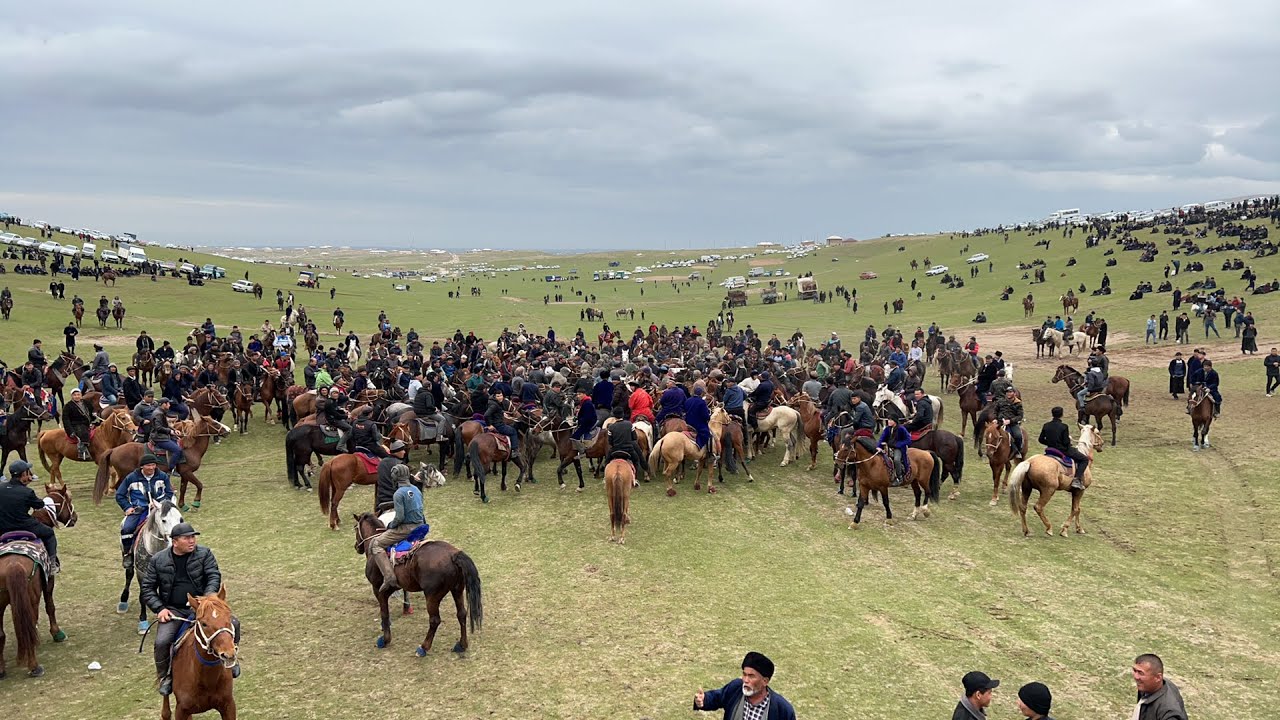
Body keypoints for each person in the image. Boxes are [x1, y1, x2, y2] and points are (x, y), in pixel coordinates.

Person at [140, 522, 239, 697]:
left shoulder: (205, 554)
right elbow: (147, 588)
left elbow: (213, 575)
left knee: (234, 624)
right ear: (175, 542)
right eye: (187, 538)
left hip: (203, 607)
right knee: (162, 642)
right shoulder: (158, 560)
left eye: (193, 537)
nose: (192, 541)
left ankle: (231, 660)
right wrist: (160, 609)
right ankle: (166, 677)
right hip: (174, 610)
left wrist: (209, 598)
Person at [370, 464, 426, 594]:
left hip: (406, 528)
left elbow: (399, 517)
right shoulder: (415, 489)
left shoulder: (398, 493)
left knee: (375, 544)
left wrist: (391, 525)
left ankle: (389, 577)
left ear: (396, 476)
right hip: (420, 525)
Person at [693, 651, 796, 720]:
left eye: (751, 676)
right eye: (744, 674)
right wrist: (703, 700)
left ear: (765, 681)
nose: (745, 680)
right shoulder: (735, 688)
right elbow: (717, 697)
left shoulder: (782, 710)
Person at [0, 460, 60, 573]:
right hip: (24, 526)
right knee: (49, 533)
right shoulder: (27, 492)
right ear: (23, 475)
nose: (29, 475)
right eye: (28, 472)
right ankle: (52, 564)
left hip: (2, 528)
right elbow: (39, 505)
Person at [115, 453, 174, 567]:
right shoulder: (131, 478)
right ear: (142, 466)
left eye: (153, 465)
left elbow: (169, 493)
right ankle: (127, 554)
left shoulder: (163, 476)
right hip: (139, 510)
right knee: (127, 528)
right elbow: (120, 495)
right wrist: (127, 507)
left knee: (175, 526)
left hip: (159, 508)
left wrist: (161, 504)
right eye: (148, 465)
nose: (151, 468)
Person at [1038, 407, 1087, 490]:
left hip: (1050, 449)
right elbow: (1065, 442)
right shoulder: (1064, 426)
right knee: (1084, 459)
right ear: (1062, 415)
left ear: (1052, 414)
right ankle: (1077, 480)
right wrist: (1069, 442)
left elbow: (1041, 439)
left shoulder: (1046, 425)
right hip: (1062, 450)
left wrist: (1050, 443)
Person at [1132, 653, 1187, 720]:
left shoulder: (1168, 712)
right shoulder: (1147, 686)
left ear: (1158, 677)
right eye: (1135, 671)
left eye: (1141, 673)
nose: (1136, 677)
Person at [606, 407, 650, 480]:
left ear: (614, 416)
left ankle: (606, 477)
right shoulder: (629, 424)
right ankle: (641, 474)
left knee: (607, 460)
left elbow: (610, 441)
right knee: (637, 459)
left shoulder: (611, 427)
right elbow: (634, 437)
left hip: (616, 449)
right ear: (622, 415)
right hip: (629, 449)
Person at [373, 441, 410, 511]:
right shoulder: (400, 465)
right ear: (397, 451)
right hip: (396, 499)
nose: (404, 452)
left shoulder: (381, 463)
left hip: (381, 499)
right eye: (402, 450)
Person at [150, 399, 184, 471]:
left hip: (163, 436)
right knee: (177, 450)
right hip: (159, 438)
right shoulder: (158, 414)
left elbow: (165, 425)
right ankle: (170, 469)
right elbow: (158, 428)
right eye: (168, 404)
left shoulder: (161, 412)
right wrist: (170, 431)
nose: (169, 405)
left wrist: (174, 430)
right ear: (163, 404)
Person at [63, 387, 94, 461]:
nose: (77, 396)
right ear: (72, 396)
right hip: (76, 424)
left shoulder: (86, 403)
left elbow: (91, 412)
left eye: (78, 394)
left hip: (88, 423)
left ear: (81, 395)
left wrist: (94, 419)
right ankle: (82, 451)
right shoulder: (68, 406)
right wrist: (70, 431)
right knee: (84, 433)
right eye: (75, 395)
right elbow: (65, 420)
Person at [877, 415, 912, 483]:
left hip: (898, 448)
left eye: (891, 420)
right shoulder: (887, 429)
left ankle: (899, 477)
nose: (889, 422)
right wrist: (879, 446)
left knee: (896, 460)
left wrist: (898, 444)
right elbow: (882, 438)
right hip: (887, 448)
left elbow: (908, 440)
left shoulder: (901, 429)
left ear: (895, 421)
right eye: (888, 420)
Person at [994, 385, 1025, 459]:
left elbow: (1020, 416)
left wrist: (1010, 421)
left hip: (1012, 424)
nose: (1008, 394)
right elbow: (995, 411)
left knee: (1018, 436)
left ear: (1014, 393)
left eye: (1010, 392)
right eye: (1007, 392)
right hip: (1000, 422)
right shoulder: (1000, 401)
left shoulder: (1018, 403)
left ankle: (1017, 451)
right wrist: (995, 418)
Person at [683, 386, 713, 451]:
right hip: (698, 424)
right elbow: (705, 416)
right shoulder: (702, 402)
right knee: (708, 434)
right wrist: (708, 417)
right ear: (701, 394)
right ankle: (703, 449)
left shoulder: (688, 400)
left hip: (687, 422)